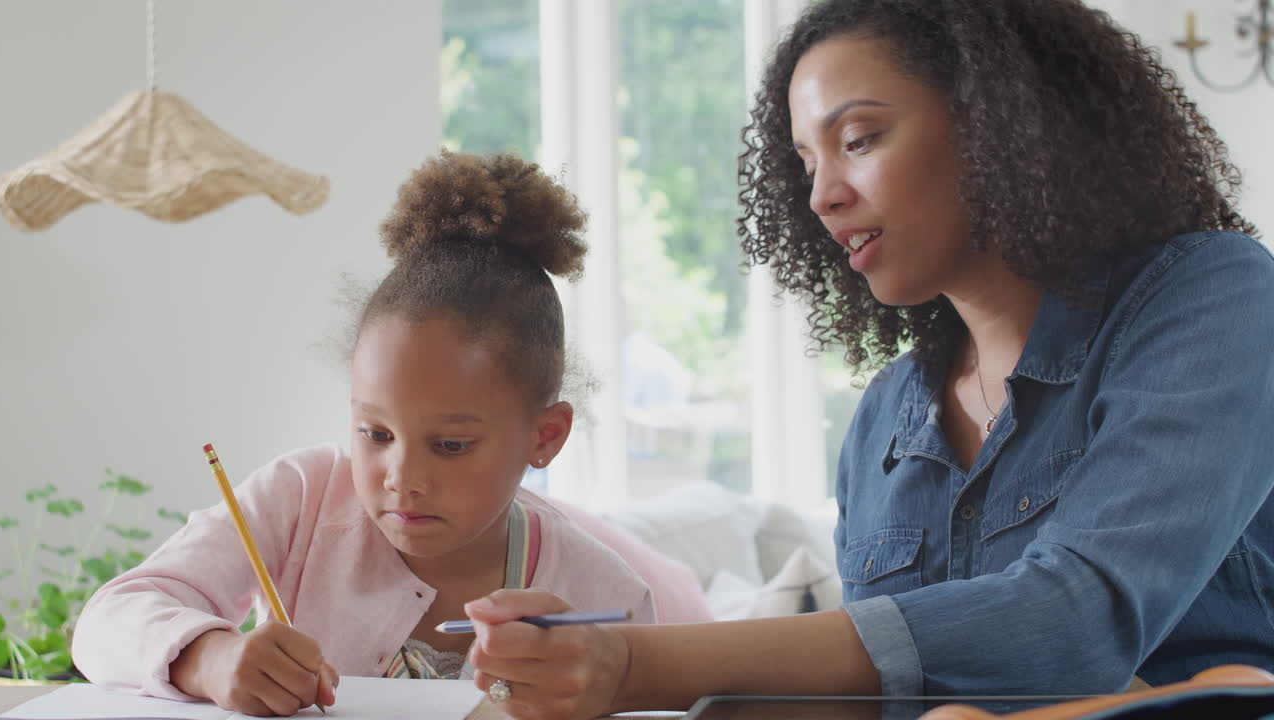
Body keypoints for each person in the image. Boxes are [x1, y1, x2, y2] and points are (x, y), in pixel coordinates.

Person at [455, 1, 1274, 717]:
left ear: (999, 120)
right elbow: (877, 691)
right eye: (806, 165)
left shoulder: (1214, 294)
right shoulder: (885, 420)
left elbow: (1079, 617)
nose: (821, 196)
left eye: (859, 139)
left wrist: (638, 664)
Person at [72, 151, 673, 717]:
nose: (402, 479)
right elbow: (107, 622)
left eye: (451, 446)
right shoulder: (299, 497)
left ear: (546, 434)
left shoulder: (607, 595)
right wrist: (209, 658)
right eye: (375, 433)